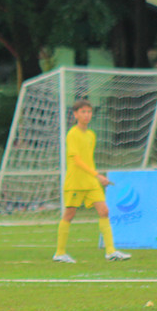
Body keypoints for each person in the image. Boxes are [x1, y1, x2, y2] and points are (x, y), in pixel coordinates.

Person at [53, 99, 130, 263]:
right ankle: (59, 253)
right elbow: (77, 160)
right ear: (75, 114)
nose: (86, 115)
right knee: (69, 214)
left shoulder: (91, 135)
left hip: (91, 182)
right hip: (76, 182)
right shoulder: (72, 134)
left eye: (89, 112)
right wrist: (97, 174)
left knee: (104, 211)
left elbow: (88, 159)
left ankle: (110, 251)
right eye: (83, 112)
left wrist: (95, 177)